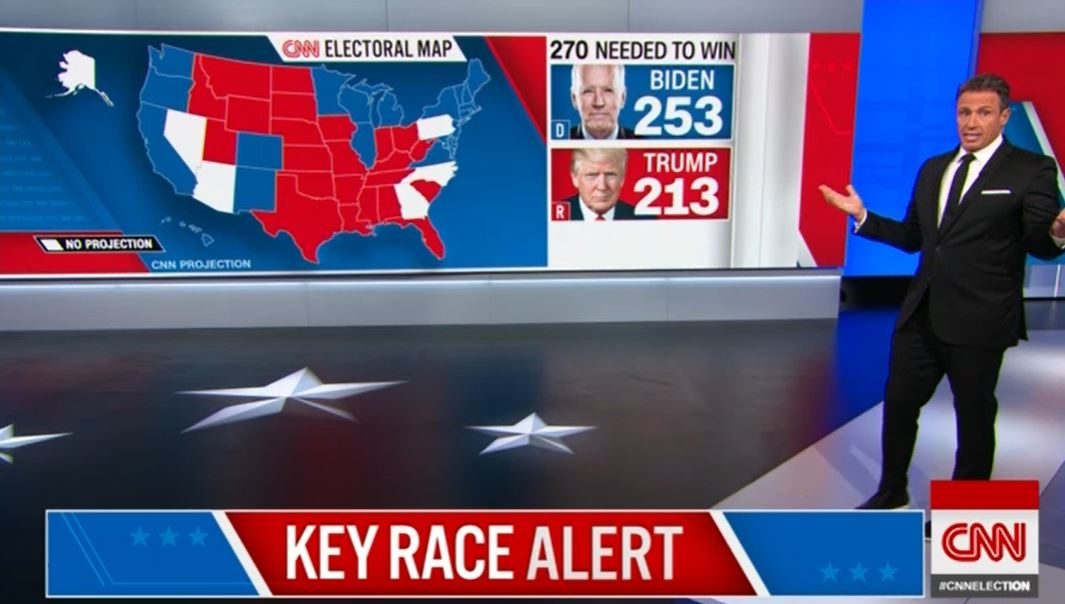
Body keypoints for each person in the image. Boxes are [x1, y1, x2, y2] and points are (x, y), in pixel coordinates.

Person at [820, 74, 1065, 517]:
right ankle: (891, 491)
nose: (972, 122)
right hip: (921, 314)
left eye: (984, 113)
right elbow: (914, 237)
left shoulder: (1031, 169)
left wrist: (1058, 232)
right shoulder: (934, 169)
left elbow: (1040, 243)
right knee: (899, 405)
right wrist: (864, 216)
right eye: (964, 112)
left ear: (1004, 117)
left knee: (973, 415)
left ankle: (963, 511)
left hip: (981, 318)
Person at [564, 147, 640, 220]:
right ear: (575, 178)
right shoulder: (559, 214)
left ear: (622, 178)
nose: (602, 186)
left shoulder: (640, 219)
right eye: (592, 175)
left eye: (610, 175)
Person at [569, 64, 639, 140]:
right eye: (588, 91)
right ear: (574, 98)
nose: (599, 103)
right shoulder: (561, 139)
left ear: (622, 97)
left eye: (608, 90)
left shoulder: (643, 143)